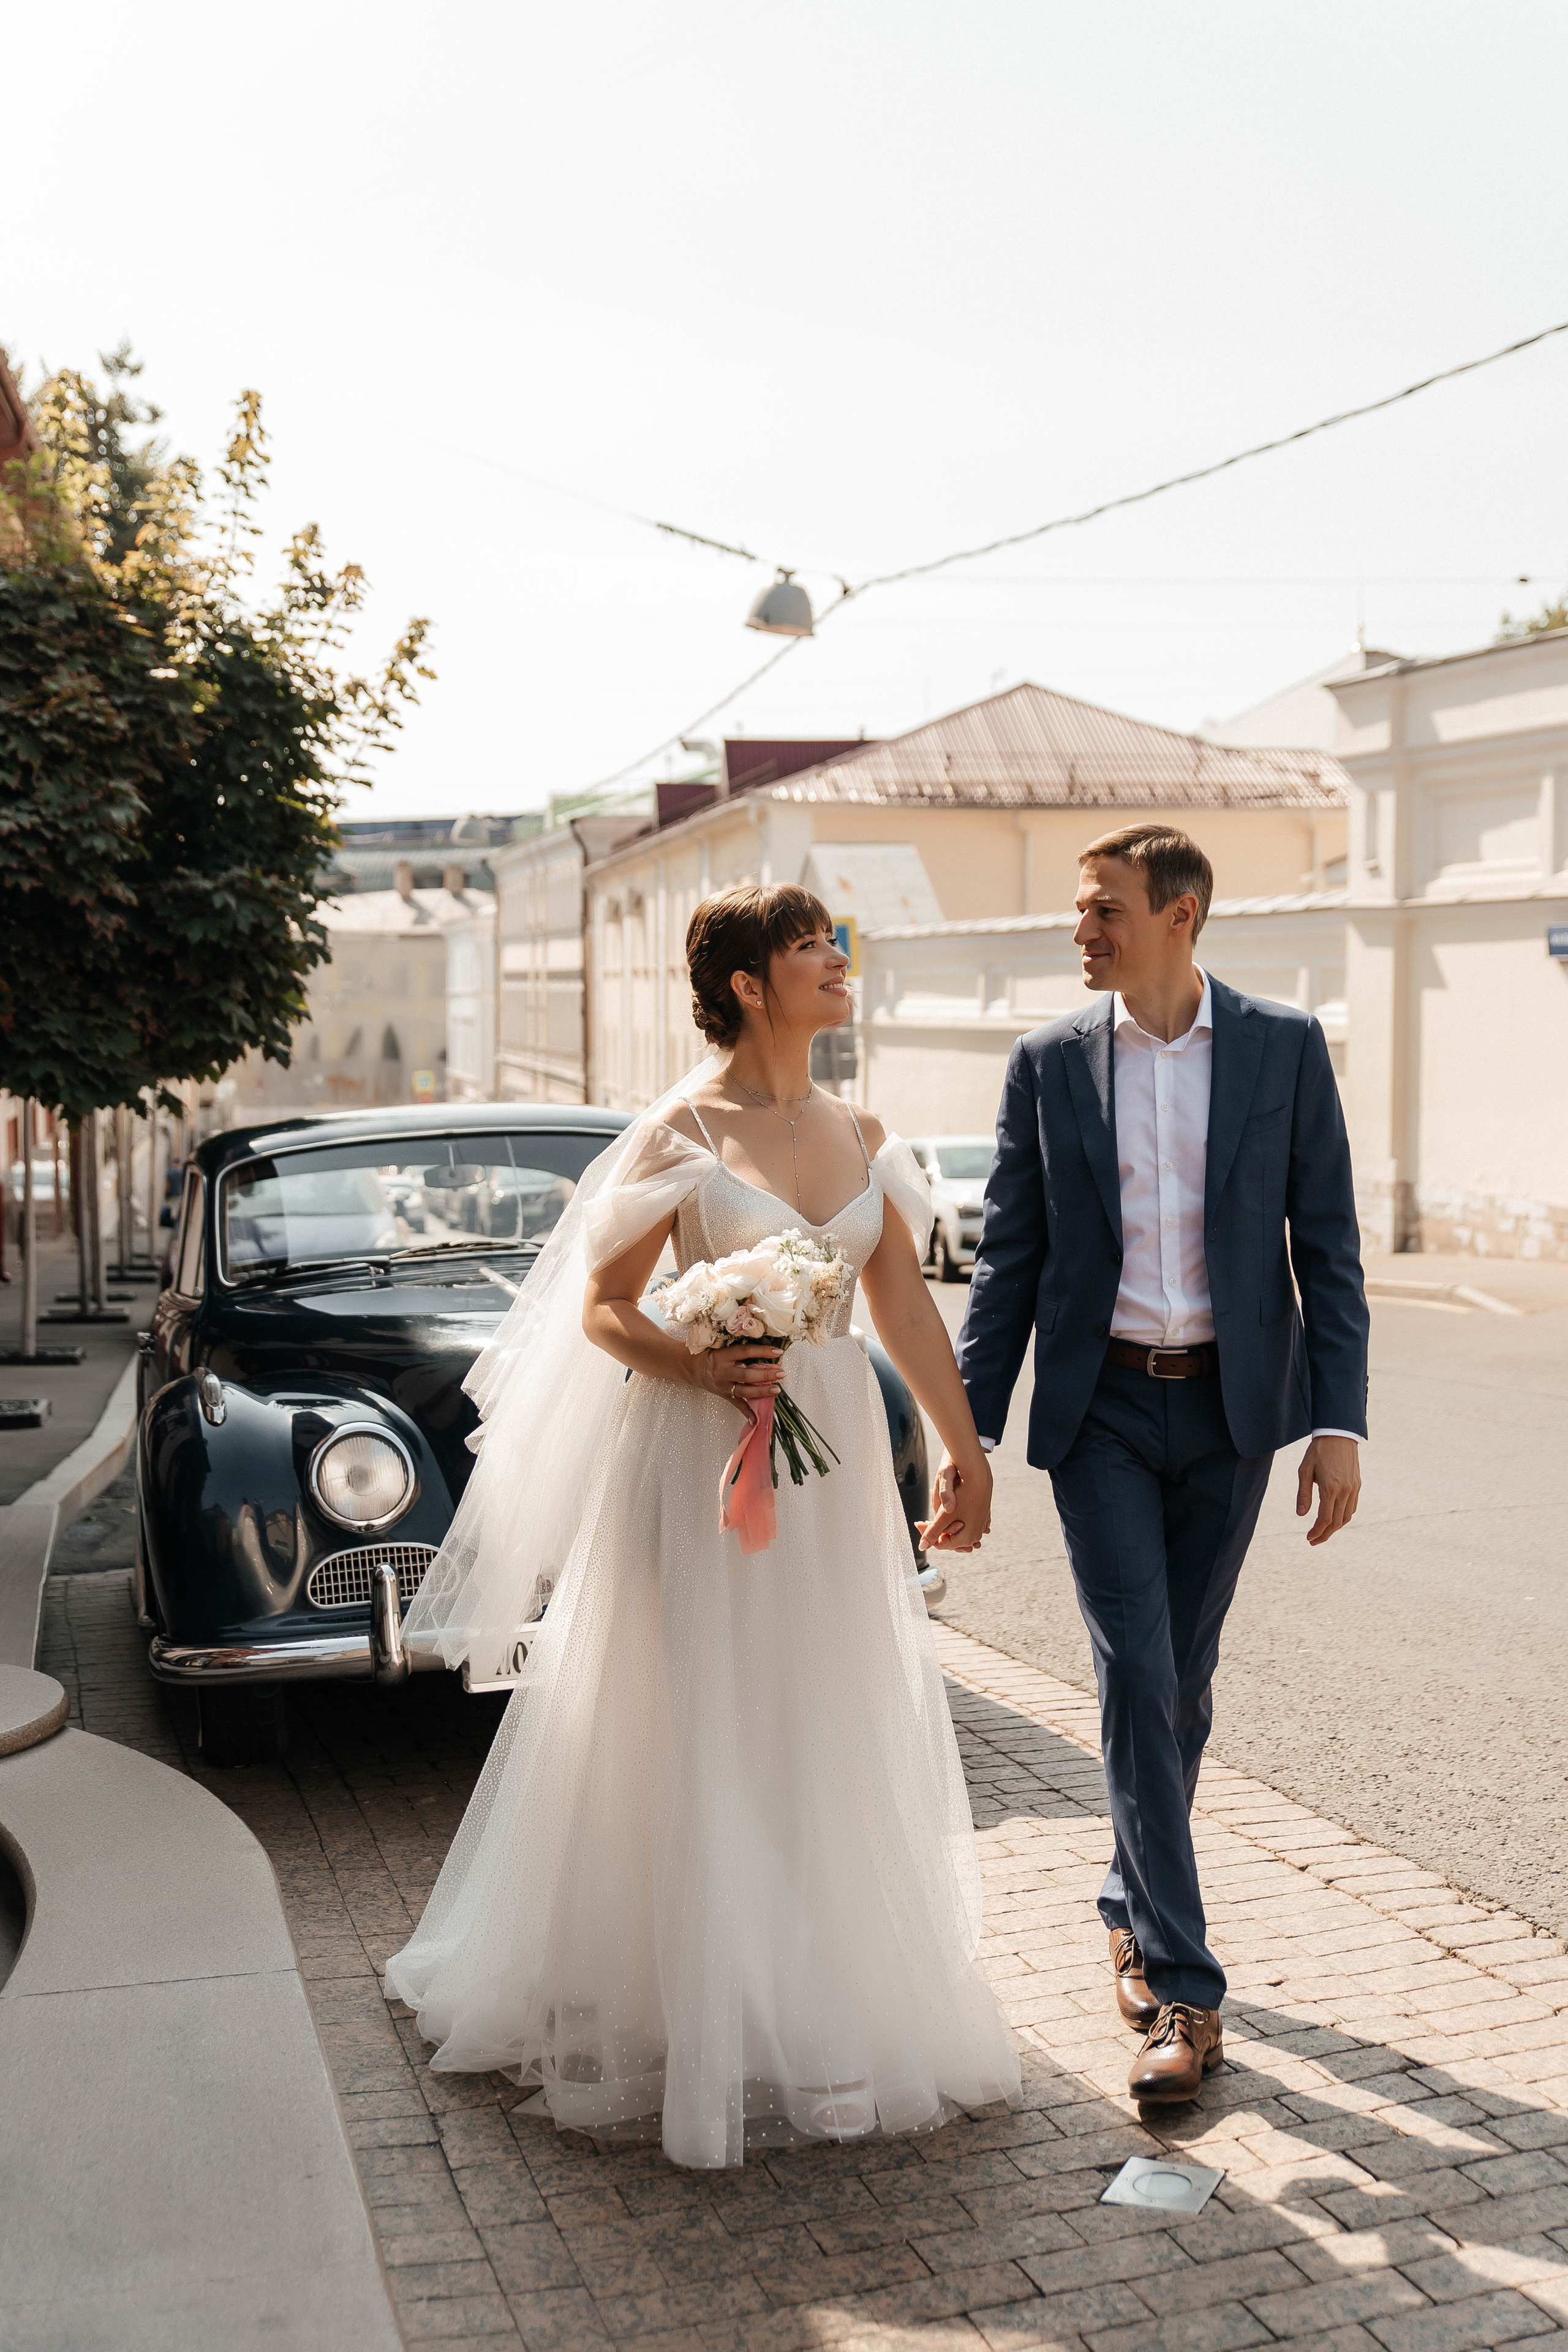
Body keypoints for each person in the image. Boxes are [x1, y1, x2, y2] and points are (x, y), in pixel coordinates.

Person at [390, 883, 1019, 2168]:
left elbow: (898, 1307)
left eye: (832, 946)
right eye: (809, 951)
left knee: (824, 1715)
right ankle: (687, 2011)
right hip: (696, 1453)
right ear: (747, 983)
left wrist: (962, 1450)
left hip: (834, 1457)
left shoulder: (859, 1125)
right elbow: (604, 1310)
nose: (836, 965)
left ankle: (825, 2015)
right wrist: (702, 1367)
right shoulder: (676, 1130)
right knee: (699, 1724)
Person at [941, 823, 1368, 2104]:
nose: (1080, 930)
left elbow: (1327, 1247)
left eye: (1102, 909)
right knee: (1134, 1671)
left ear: (1178, 915)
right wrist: (962, 1435)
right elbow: (1006, 1263)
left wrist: (1336, 1422)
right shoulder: (1046, 1065)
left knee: (1180, 1684)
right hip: (1104, 1413)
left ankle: (1127, 1895)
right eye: (1080, 911)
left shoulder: (1281, 1050)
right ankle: (1181, 1995)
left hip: (1234, 1413)